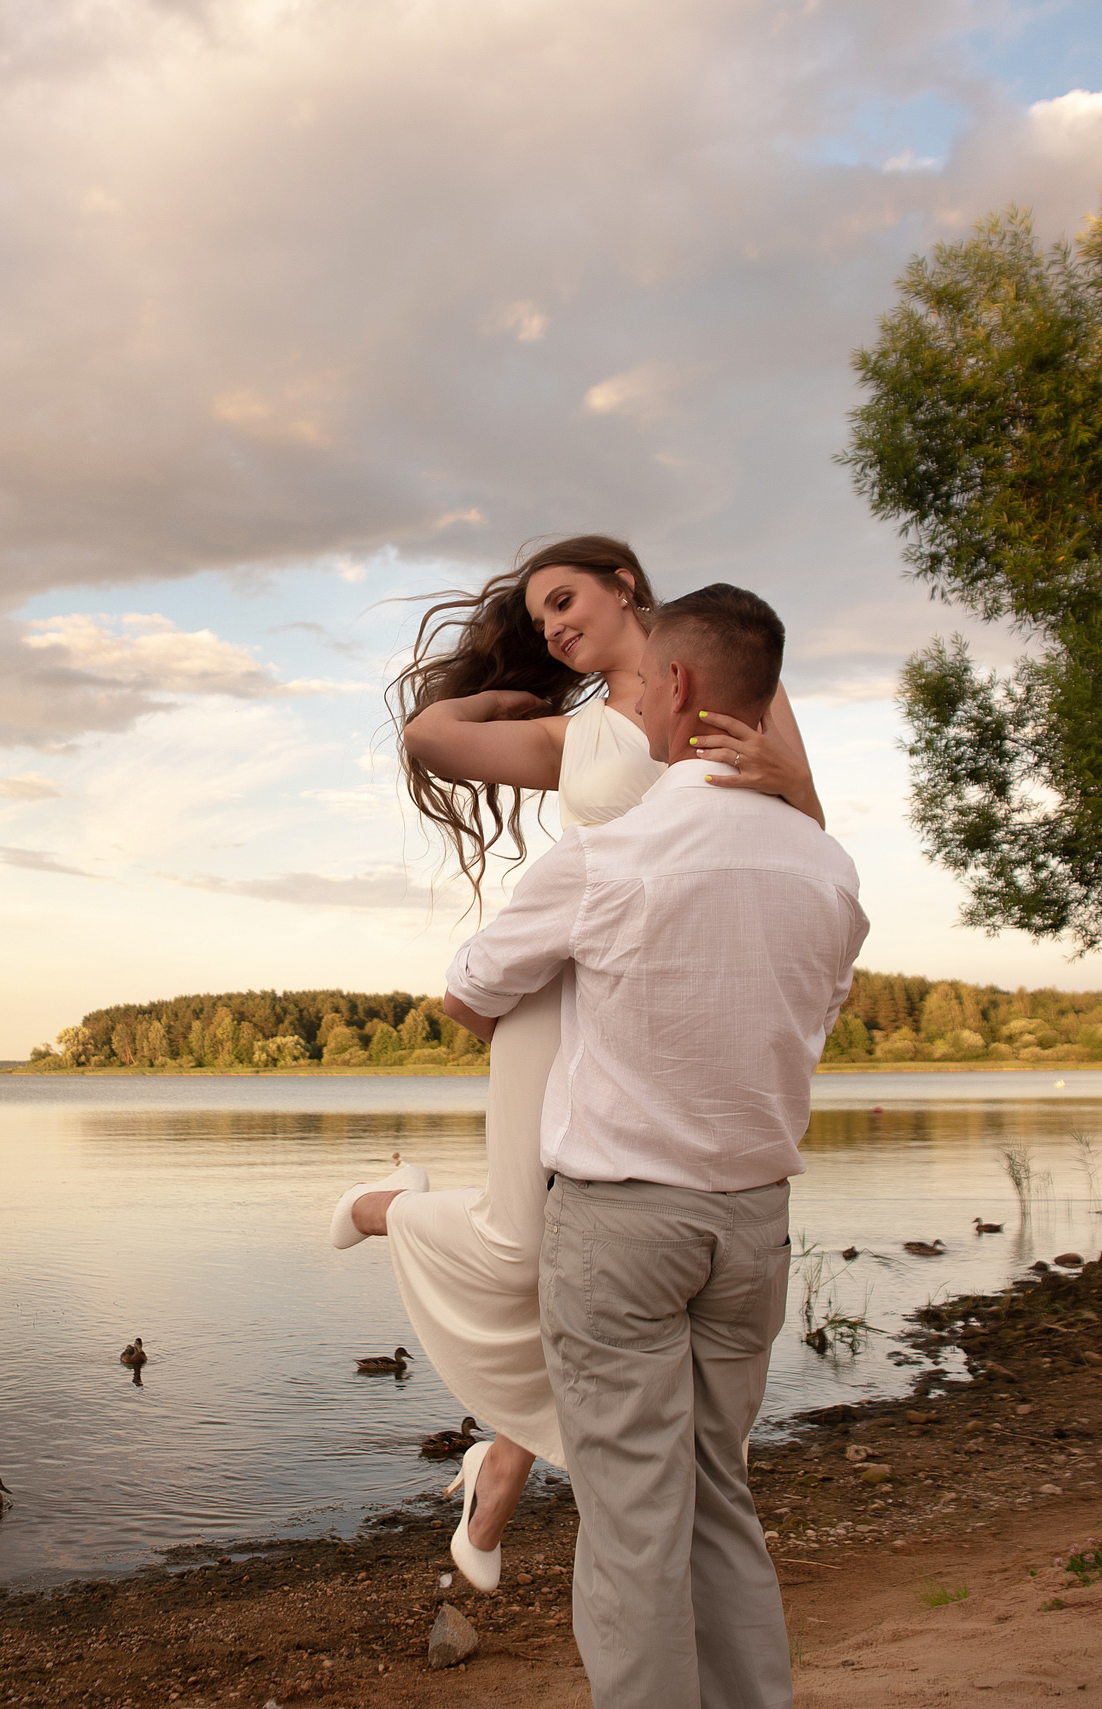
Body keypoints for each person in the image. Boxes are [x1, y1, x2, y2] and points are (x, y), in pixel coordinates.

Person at [328, 536, 823, 1593]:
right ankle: (389, 1205)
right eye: (538, 614)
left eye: (565, 600)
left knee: (603, 1265)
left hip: (676, 1010)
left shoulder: (738, 683)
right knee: (519, 1247)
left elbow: (808, 840)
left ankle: (500, 1471)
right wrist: (525, 694)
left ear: (627, 584)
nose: (552, 622)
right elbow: (429, 735)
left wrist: (793, 782)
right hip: (560, 996)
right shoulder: (576, 732)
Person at [439, 583, 867, 1708]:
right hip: (753, 1223)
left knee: (632, 1518)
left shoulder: (610, 856)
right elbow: (817, 1000)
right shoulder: (828, 868)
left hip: (624, 1222)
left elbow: (471, 993)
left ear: (672, 687)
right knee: (715, 1492)